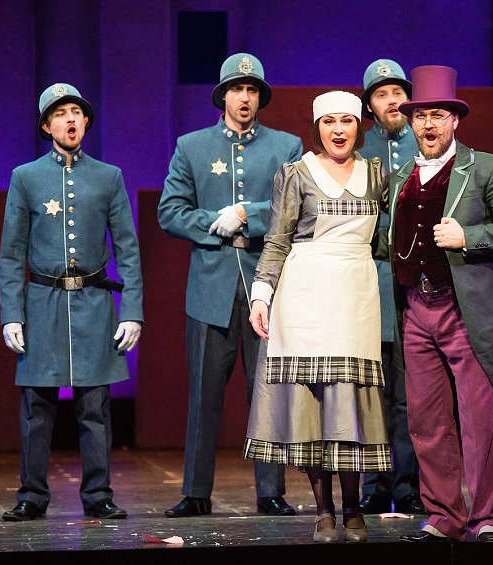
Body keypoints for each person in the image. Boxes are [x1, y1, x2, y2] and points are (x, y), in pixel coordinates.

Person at [386, 65, 493, 543]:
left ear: (454, 120)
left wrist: (468, 236)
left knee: (478, 417)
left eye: (438, 115)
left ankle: (486, 516)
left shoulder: (487, 167)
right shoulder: (401, 176)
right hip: (415, 308)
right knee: (426, 421)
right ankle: (443, 515)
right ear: (410, 122)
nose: (428, 125)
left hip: (462, 309)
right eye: (420, 116)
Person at [243, 90, 391, 544]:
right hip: (304, 295)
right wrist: (261, 295)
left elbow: (390, 236)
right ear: (317, 128)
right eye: (329, 122)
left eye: (346, 121)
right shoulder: (296, 173)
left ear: (358, 127)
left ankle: (353, 507)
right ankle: (324, 510)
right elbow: (277, 239)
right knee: (311, 409)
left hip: (355, 297)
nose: (338, 130)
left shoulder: (377, 174)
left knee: (349, 404)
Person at [158, 52, 300, 518]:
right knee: (204, 394)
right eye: (237, 89)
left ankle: (271, 490)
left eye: (252, 90)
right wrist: (212, 222)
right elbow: (169, 211)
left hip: (266, 284)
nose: (244, 97)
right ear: (222, 96)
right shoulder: (192, 146)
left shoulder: (286, 146)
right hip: (211, 286)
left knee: (268, 391)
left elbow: (295, 205)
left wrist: (245, 214)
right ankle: (196, 491)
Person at [0, 83, 143, 521]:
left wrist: (132, 311)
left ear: (85, 121)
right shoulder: (25, 177)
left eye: (76, 112)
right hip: (42, 304)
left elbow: (128, 249)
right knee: (37, 409)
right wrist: (11, 315)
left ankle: (98, 494)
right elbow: (11, 253)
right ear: (47, 126)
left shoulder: (108, 176)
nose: (70, 119)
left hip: (94, 305)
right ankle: (31, 495)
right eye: (60, 114)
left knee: (95, 407)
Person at [357, 58, 425, 516]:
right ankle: (375, 484)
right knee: (373, 393)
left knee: (411, 394)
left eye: (398, 92)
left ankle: (410, 484)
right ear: (370, 106)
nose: (392, 100)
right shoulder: (359, 150)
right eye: (381, 94)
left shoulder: (427, 144)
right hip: (373, 285)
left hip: (418, 286)